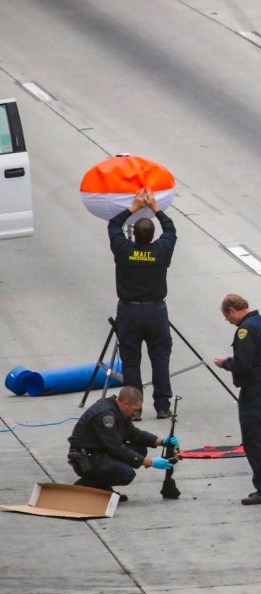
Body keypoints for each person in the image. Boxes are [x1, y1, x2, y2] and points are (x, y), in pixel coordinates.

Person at [108, 188, 177, 421]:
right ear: (151, 236)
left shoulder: (125, 250)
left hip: (129, 310)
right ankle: (163, 406)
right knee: (160, 359)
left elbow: (113, 226)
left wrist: (134, 207)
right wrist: (155, 207)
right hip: (155, 310)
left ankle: (134, 409)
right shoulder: (160, 251)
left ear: (134, 236)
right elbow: (171, 230)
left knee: (131, 360)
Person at [213, 294, 261, 506]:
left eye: (228, 318)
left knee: (254, 441)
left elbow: (244, 363)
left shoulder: (245, 330)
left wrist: (226, 362)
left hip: (255, 391)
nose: (230, 322)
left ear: (232, 311)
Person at [67, 386, 177, 501]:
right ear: (126, 403)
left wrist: (162, 441)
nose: (135, 413)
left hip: (100, 451)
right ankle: (86, 485)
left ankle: (104, 488)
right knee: (126, 475)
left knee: (140, 450)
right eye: (134, 409)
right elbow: (116, 448)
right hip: (86, 458)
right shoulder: (106, 416)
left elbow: (133, 434)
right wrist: (149, 462)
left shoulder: (118, 409)